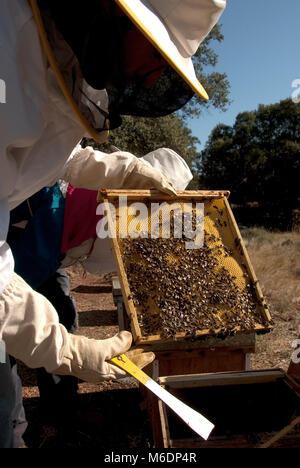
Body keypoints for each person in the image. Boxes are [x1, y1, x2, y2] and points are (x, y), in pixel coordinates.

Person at [0, 0, 226, 447]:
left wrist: (123, 170)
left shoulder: (46, 56)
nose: (158, 77)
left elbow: (45, 152)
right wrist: (61, 347)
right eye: (159, 56)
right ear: (116, 15)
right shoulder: (9, 57)